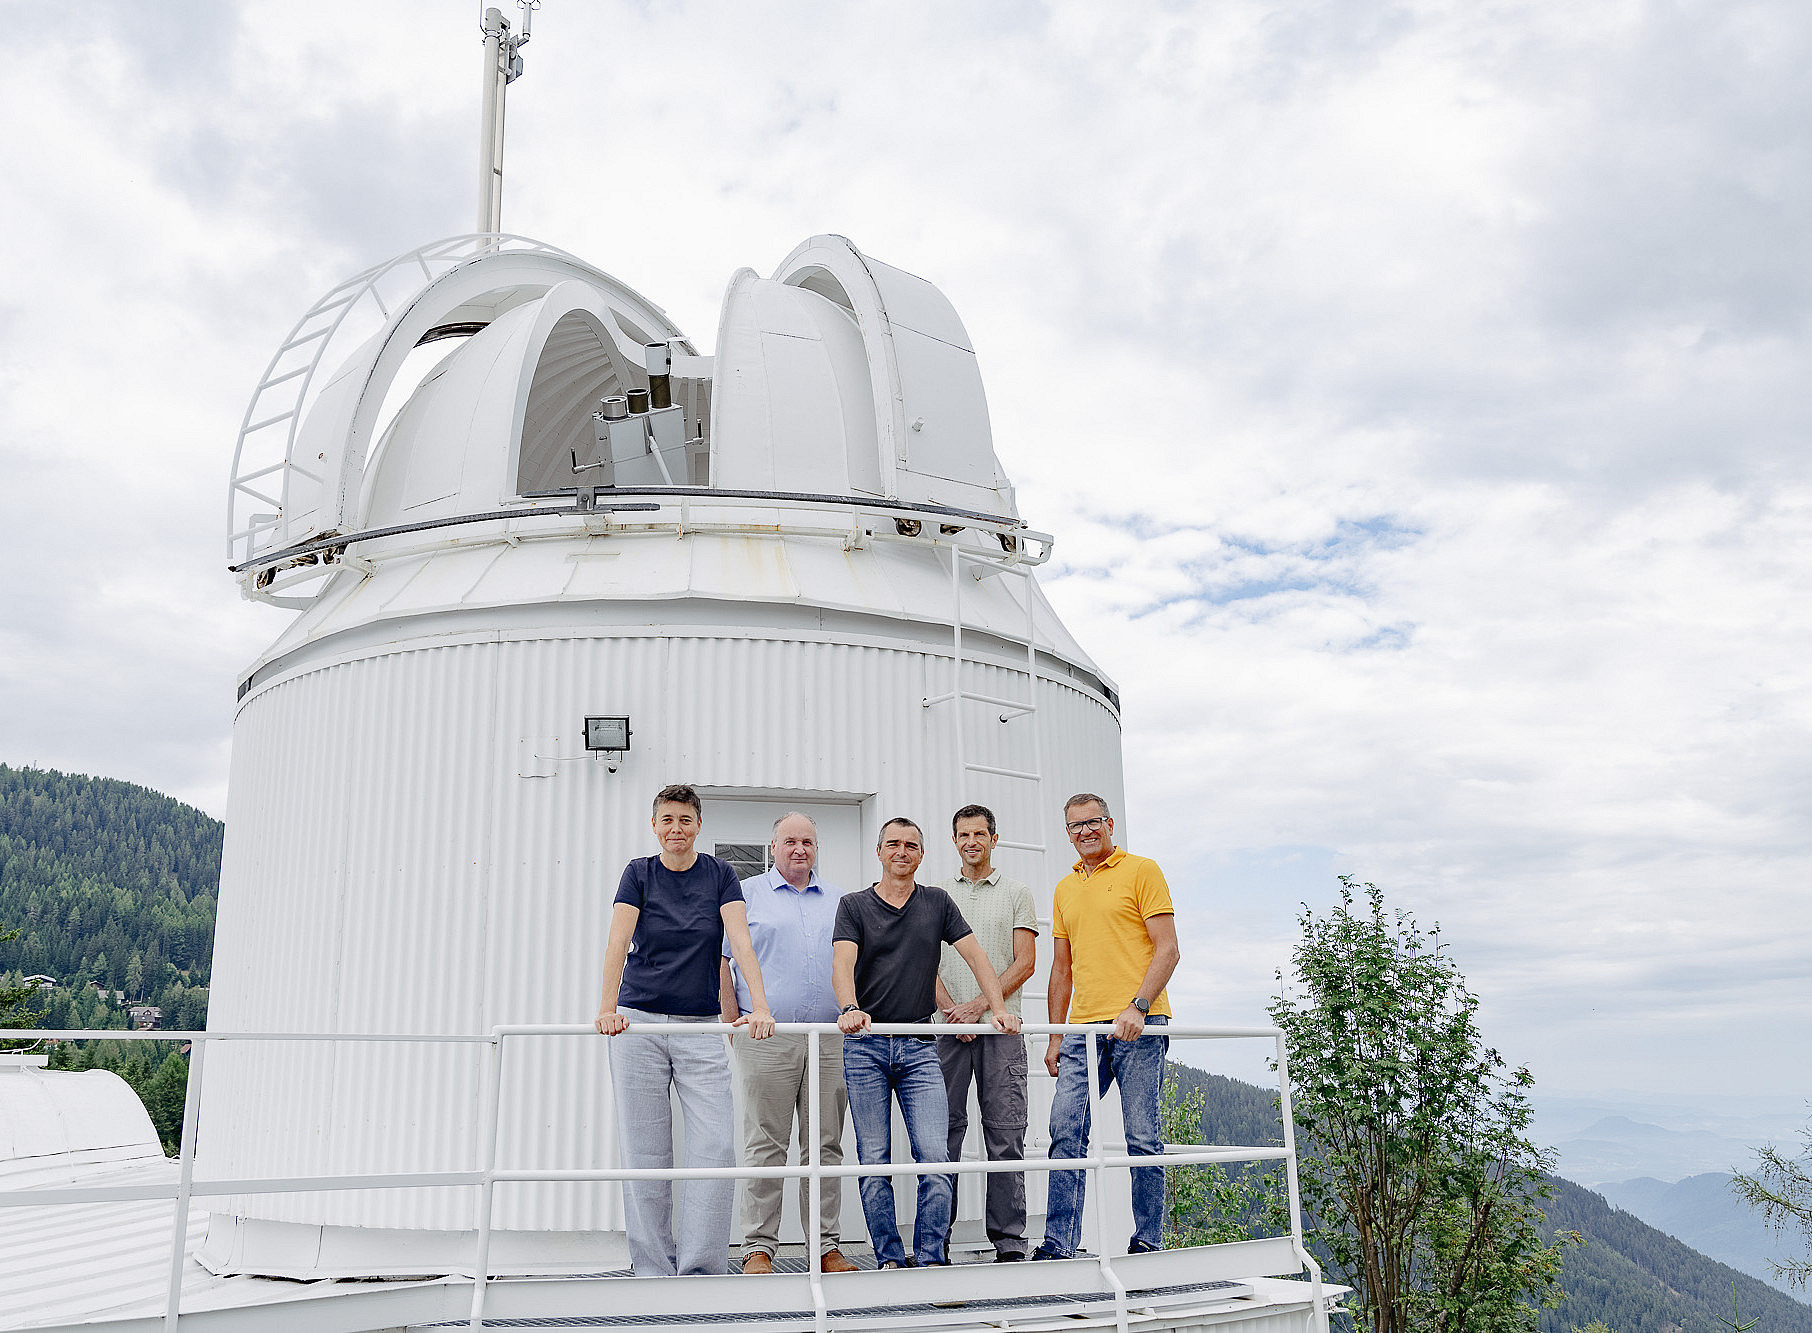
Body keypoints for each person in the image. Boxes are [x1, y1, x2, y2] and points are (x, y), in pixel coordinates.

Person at [594, 784, 777, 1276]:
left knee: (714, 1149)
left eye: (685, 820)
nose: (676, 829)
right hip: (639, 1025)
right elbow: (618, 940)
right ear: (655, 826)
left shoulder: (720, 874)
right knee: (645, 1151)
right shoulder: (638, 873)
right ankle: (652, 1270)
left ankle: (702, 1270)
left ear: (699, 825)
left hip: (700, 1027)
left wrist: (759, 1006)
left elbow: (740, 940)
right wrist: (607, 1007)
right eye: (667, 820)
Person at [832, 817, 1021, 1269]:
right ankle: (890, 1258)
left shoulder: (936, 902)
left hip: (919, 1045)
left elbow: (976, 956)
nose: (902, 851)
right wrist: (849, 1008)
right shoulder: (854, 905)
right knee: (874, 1160)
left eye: (912, 845)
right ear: (879, 852)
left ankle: (932, 1258)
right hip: (867, 1044)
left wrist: (997, 1008)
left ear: (922, 854)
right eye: (893, 844)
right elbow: (842, 964)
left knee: (935, 1159)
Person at [1032, 793, 1181, 1261]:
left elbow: (1168, 948)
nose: (1084, 832)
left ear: (1109, 823)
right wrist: (1056, 1035)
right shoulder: (1064, 888)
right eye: (1075, 826)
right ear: (1068, 833)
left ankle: (1148, 1242)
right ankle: (1060, 1243)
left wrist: (1138, 1006)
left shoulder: (1142, 870)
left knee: (1142, 1136)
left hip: (1139, 1025)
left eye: (1092, 823)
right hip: (1082, 1029)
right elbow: (1061, 970)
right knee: (1065, 1130)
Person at [718, 812, 860, 1275]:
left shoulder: (841, 901)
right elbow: (723, 960)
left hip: (829, 1037)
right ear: (772, 846)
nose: (800, 849)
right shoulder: (746, 895)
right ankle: (758, 1248)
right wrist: (731, 1019)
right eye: (790, 841)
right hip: (766, 1036)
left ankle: (826, 1246)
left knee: (825, 1146)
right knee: (765, 1143)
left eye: (808, 842)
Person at [934, 804, 1039, 1262]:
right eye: (963, 835)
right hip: (947, 1032)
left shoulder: (1017, 893)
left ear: (994, 839)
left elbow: (1025, 963)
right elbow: (923, 965)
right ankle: (935, 1239)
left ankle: (1010, 1242)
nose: (971, 841)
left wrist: (978, 1009)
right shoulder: (935, 896)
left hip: (1000, 1030)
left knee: (1005, 1134)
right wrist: (952, 1013)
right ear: (954, 841)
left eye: (979, 834)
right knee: (944, 1136)